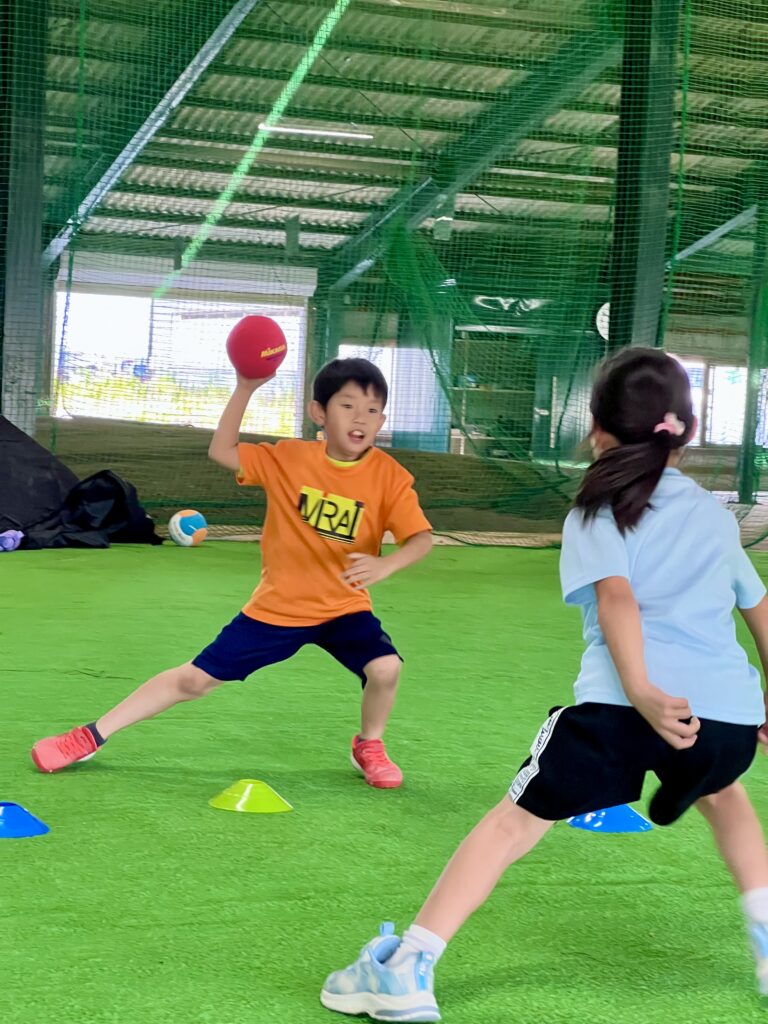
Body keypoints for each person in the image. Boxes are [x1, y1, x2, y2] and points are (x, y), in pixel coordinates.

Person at [320, 347, 768, 1021]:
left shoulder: (597, 505)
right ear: (688, 429)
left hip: (623, 714)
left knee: (513, 823)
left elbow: (616, 599)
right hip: (726, 727)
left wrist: (643, 691)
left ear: (595, 429)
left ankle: (408, 969)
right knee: (726, 795)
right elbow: (757, 607)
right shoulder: (713, 513)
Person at [31, 358, 433, 789]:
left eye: (372, 410)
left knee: (386, 668)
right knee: (194, 680)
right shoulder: (289, 459)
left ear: (382, 419)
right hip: (279, 608)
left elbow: (421, 539)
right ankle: (91, 735)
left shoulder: (390, 477)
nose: (360, 418)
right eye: (347, 406)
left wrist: (385, 563)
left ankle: (369, 745)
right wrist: (245, 387)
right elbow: (221, 451)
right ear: (319, 413)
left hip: (344, 608)